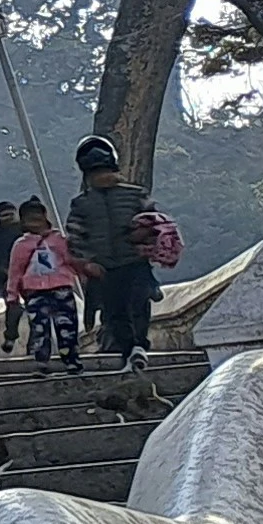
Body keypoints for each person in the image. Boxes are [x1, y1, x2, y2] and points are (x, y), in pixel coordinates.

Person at [64, 137, 159, 368]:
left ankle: (135, 349)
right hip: (113, 266)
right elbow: (75, 238)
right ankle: (133, 351)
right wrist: (86, 264)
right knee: (125, 311)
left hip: (126, 263)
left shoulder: (133, 195)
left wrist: (144, 238)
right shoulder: (85, 203)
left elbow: (156, 225)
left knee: (129, 309)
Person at [4, 202, 83, 369]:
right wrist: (12, 294)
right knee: (39, 328)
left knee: (67, 326)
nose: (34, 223)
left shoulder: (59, 240)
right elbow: (15, 270)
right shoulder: (21, 245)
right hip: (34, 291)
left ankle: (71, 360)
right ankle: (41, 361)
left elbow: (71, 260)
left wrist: (83, 273)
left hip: (61, 287)